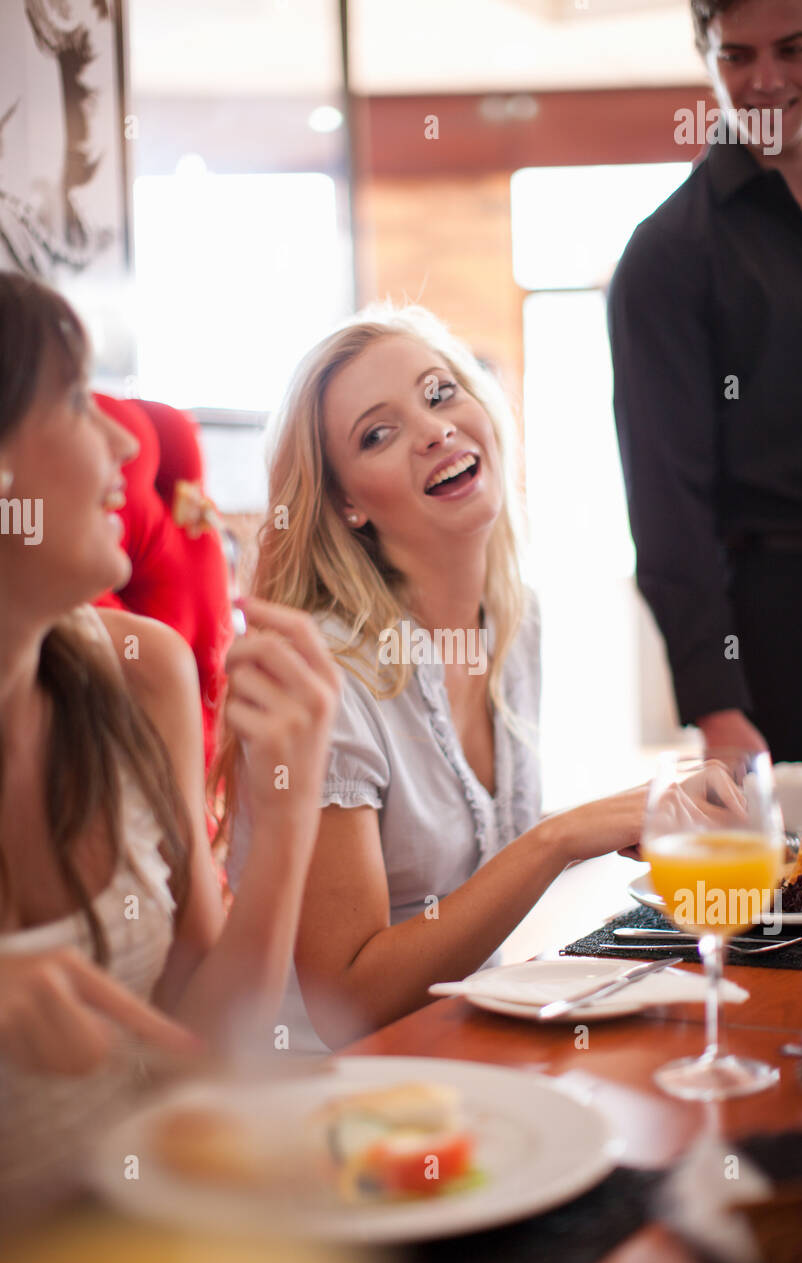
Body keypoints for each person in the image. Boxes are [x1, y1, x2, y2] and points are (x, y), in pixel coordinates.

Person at [220, 303, 651, 1052]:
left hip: (465, 1058)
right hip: (321, 1104)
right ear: (346, 502)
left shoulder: (517, 623)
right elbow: (348, 1000)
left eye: (440, 391)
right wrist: (561, 839)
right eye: (378, 434)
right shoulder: (327, 675)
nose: (432, 430)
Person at [0, 272, 340, 1206]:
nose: (123, 439)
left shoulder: (144, 672)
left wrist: (284, 812)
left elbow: (199, 1058)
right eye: (73, 399)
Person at [607, 0, 802, 778]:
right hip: (779, 641)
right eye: (736, 56)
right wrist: (717, 704)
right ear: (703, 50)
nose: (766, 81)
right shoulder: (667, 256)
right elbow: (666, 501)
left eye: (793, 49)